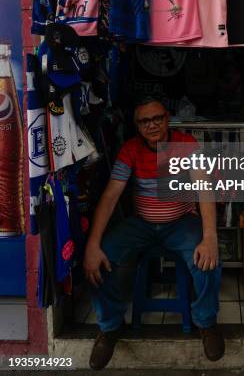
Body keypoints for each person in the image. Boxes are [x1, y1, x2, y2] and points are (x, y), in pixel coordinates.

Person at [83, 96, 224, 370]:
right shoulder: (130, 150)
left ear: (167, 119)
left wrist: (210, 237)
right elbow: (111, 195)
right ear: (137, 126)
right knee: (98, 258)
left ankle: (206, 323)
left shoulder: (186, 145)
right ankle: (110, 326)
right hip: (142, 225)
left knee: (207, 262)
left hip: (181, 221)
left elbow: (204, 190)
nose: (152, 125)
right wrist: (92, 244)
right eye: (144, 121)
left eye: (157, 118)